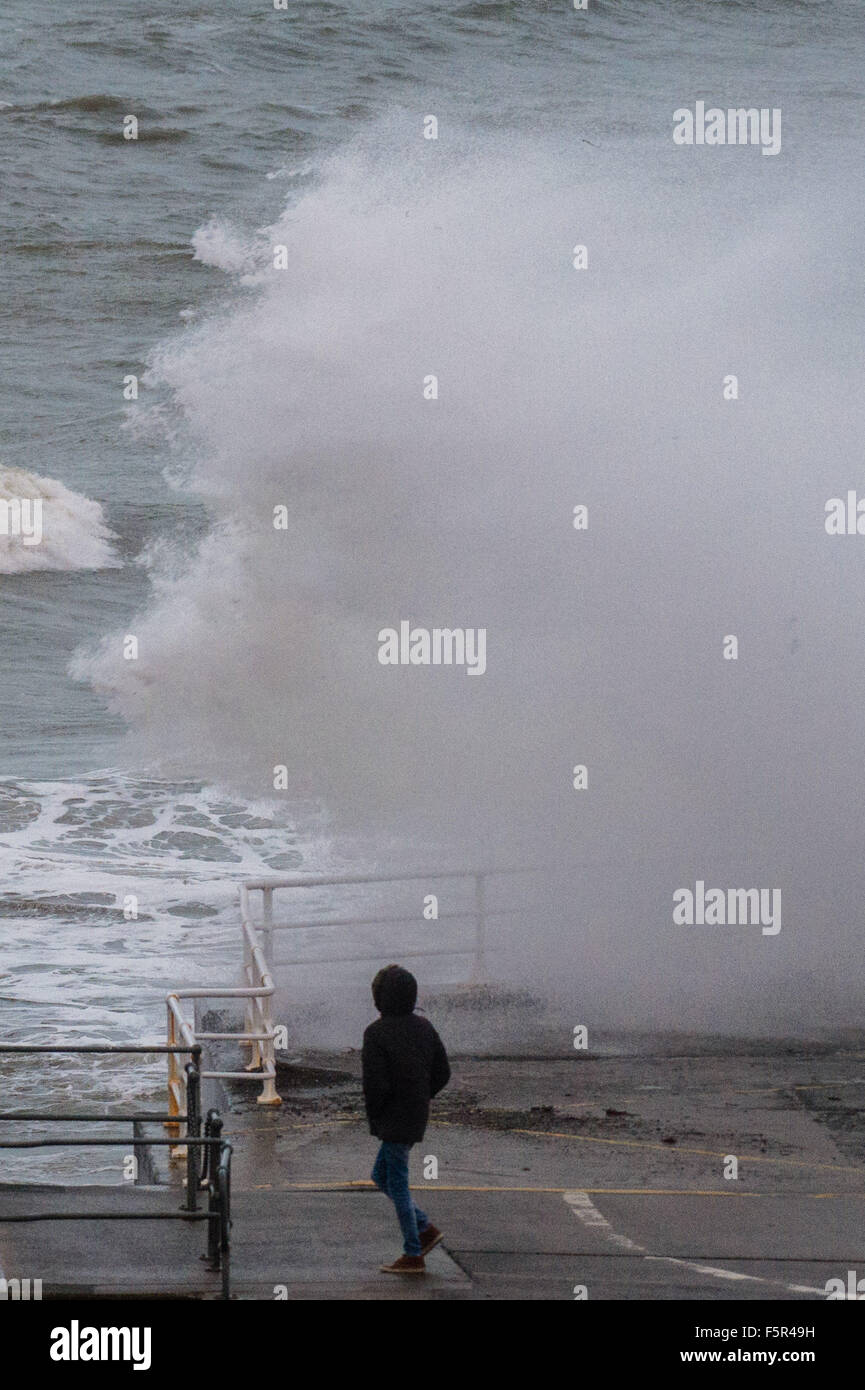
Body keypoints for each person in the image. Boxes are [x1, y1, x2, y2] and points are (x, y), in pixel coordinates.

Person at [362, 963, 451, 1274]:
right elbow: (443, 1072)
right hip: (415, 1113)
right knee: (381, 1176)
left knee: (397, 1183)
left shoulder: (376, 1034)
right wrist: (422, 1095)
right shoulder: (424, 1027)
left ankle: (413, 1253)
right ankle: (424, 1228)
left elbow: (376, 1086)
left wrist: (377, 1115)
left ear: (379, 999)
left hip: (393, 1118)